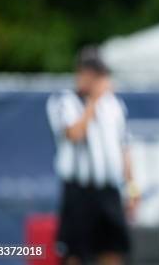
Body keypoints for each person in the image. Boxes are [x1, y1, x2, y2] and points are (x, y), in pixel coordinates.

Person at [46, 47, 139, 265]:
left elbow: (124, 147)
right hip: (79, 190)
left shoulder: (114, 105)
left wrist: (132, 186)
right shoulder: (65, 101)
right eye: (92, 74)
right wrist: (93, 102)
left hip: (108, 189)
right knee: (75, 251)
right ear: (81, 73)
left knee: (113, 248)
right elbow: (74, 134)